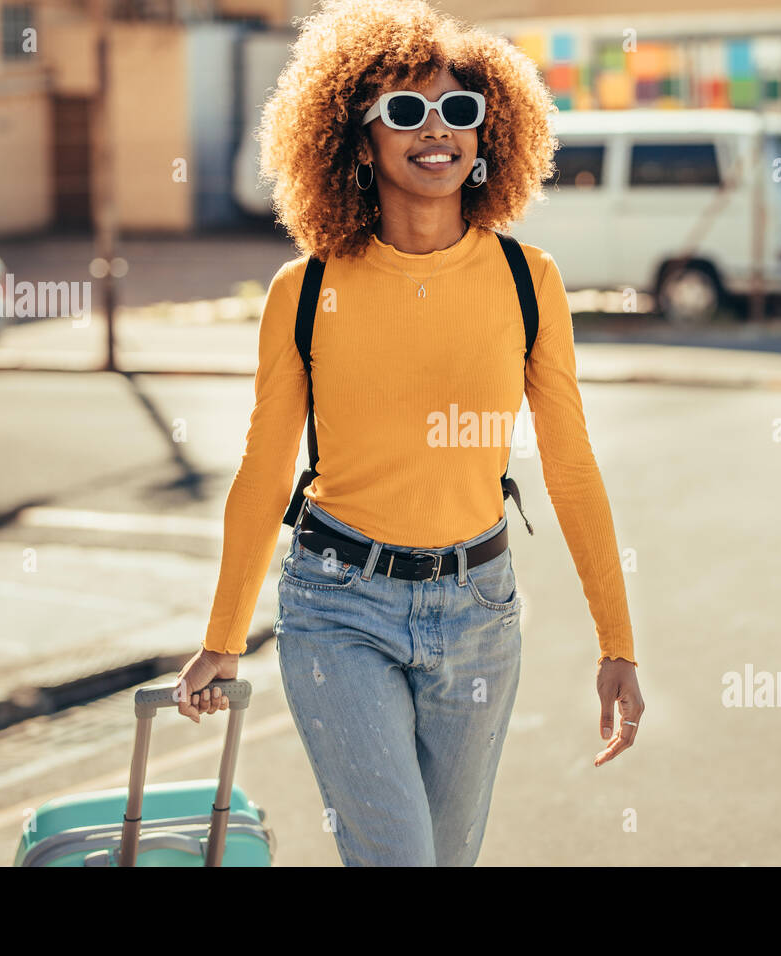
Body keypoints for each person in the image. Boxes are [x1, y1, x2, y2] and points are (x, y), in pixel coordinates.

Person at [174, 0, 643, 866]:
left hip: (480, 611)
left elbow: (571, 466)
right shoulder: (304, 291)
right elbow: (265, 471)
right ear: (359, 140)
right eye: (405, 110)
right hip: (338, 607)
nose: (437, 130)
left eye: (459, 110)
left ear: (486, 134)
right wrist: (222, 639)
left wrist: (618, 644)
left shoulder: (528, 280)